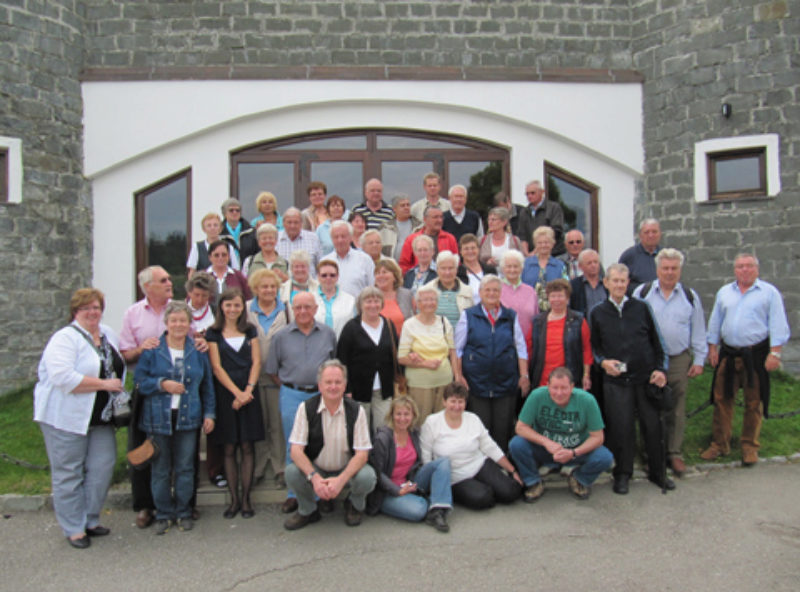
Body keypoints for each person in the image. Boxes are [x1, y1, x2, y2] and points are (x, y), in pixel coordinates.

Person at [34, 288, 125, 549]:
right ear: (76, 312)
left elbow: (118, 364)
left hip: (101, 417)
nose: (92, 313)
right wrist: (104, 385)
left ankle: (91, 518)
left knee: (102, 467)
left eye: (96, 307)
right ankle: (74, 527)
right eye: (86, 308)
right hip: (65, 417)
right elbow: (63, 377)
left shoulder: (107, 333)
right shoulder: (64, 339)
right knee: (68, 472)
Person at [589, 263, 672, 495]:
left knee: (653, 426)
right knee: (621, 429)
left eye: (623, 281)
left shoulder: (642, 308)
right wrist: (603, 362)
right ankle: (623, 473)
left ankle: (658, 472)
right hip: (616, 381)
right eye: (614, 281)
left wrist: (661, 370)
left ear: (628, 284)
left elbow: (658, 343)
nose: (618, 285)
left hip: (645, 378)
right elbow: (593, 348)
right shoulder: (597, 312)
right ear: (606, 283)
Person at [701, 253, 790, 466]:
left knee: (754, 402)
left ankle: (750, 446)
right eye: (740, 266)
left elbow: (778, 323)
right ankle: (720, 444)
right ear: (735, 270)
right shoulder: (725, 292)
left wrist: (775, 353)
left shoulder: (769, 293)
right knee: (722, 399)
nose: (745, 270)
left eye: (749, 266)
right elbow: (715, 321)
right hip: (729, 354)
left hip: (756, 356)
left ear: (756, 269)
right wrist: (712, 347)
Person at [135, 301, 216, 535]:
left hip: (188, 416)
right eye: (174, 320)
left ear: (190, 324)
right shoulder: (153, 349)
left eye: (183, 320)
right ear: (166, 323)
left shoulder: (198, 350)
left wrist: (209, 413)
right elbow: (139, 382)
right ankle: (163, 513)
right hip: (158, 417)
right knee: (160, 469)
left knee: (184, 468)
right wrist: (162, 384)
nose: (179, 325)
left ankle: (183, 511)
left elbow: (207, 386)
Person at [633, 248, 707, 477]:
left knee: (676, 407)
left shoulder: (689, 296)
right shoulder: (642, 293)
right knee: (649, 408)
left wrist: (699, 359)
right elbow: (634, 325)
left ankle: (674, 453)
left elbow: (698, 329)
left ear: (680, 270)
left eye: (674, 268)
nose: (669, 272)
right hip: (649, 360)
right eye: (665, 268)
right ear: (657, 269)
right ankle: (651, 455)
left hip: (677, 359)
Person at [265, 291, 337, 514]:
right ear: (292, 310)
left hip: (321, 395)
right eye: (298, 308)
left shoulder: (328, 334)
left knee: (320, 444)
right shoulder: (281, 336)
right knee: (293, 445)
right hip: (292, 394)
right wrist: (292, 387)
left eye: (308, 307)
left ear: (316, 309)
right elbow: (273, 371)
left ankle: (322, 491)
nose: (303, 311)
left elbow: (334, 366)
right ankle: (294, 493)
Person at [283, 360, 377, 530]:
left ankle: (354, 504)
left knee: (367, 476)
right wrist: (315, 479)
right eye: (328, 382)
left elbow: (362, 454)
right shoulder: (306, 408)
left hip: (345, 468)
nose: (333, 387)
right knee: (292, 472)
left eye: (338, 382)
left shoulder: (357, 410)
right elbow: (295, 451)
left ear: (345, 385)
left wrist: (341, 481)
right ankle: (308, 510)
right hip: (317, 468)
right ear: (320, 385)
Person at [120, 265, 174, 529]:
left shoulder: (177, 309)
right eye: (163, 280)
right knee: (142, 445)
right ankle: (144, 505)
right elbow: (125, 353)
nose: (169, 282)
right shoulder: (133, 314)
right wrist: (141, 349)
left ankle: (176, 501)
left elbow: (193, 337)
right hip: (146, 389)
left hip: (175, 387)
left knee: (175, 447)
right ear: (147, 287)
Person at [509, 367, 613, 502]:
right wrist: (546, 442)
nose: (559, 393)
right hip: (545, 449)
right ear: (548, 386)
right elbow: (521, 428)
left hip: (575, 450)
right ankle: (533, 482)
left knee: (605, 457)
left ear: (572, 387)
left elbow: (598, 437)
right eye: (554, 388)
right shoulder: (537, 396)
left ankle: (579, 478)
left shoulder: (587, 401)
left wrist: (574, 453)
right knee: (516, 444)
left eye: (564, 388)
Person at [206, 289, 264, 519]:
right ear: (221, 307)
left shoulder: (250, 330)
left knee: (248, 446)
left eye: (237, 305)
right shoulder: (213, 333)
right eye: (228, 305)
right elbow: (217, 368)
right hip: (226, 394)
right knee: (229, 447)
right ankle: (234, 500)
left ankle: (247, 498)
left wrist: (248, 390)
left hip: (249, 391)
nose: (232, 309)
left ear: (243, 307)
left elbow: (257, 361)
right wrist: (236, 394)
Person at [454, 275, 528, 451]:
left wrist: (524, 375)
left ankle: (502, 465)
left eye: (495, 290)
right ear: (480, 292)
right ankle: (481, 466)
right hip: (476, 382)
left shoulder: (510, 316)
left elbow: (520, 347)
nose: (492, 293)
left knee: (503, 427)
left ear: (501, 293)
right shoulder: (469, 315)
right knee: (481, 426)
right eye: (487, 290)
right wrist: (459, 375)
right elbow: (457, 349)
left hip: (505, 381)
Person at [420, 383, 522, 509]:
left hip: (478, 465)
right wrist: (436, 486)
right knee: (483, 498)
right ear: (444, 402)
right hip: (455, 476)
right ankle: (477, 490)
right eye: (452, 401)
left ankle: (490, 486)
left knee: (510, 492)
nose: (457, 406)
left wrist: (512, 470)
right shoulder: (432, 422)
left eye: (461, 402)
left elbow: (490, 447)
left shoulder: (473, 419)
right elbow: (426, 456)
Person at [367, 396, 453, 532]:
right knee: (419, 510)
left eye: (407, 414)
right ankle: (433, 502)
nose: (402, 418)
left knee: (443, 462)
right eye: (398, 414)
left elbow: (418, 463)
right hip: (388, 490)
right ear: (391, 415)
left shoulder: (414, 433)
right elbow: (377, 472)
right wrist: (398, 490)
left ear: (413, 416)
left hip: (410, 481)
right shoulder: (383, 438)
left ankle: (437, 509)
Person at [247, 269, 290, 487]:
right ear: (256, 289)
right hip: (252, 377)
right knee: (258, 424)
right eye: (264, 286)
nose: (269, 290)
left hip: (277, 378)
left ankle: (280, 467)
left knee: (277, 424)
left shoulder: (286, 310)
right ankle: (259, 466)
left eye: (273, 286)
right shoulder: (247, 309)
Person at [336, 287, 400, 430]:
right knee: (360, 431)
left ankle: (380, 453)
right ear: (360, 304)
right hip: (358, 391)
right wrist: (346, 389)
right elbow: (342, 360)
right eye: (368, 301)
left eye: (376, 301)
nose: (373, 305)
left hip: (383, 391)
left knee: (383, 431)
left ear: (382, 303)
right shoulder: (351, 328)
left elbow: (395, 354)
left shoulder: (388, 325)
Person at [397, 286, 458, 424]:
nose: (429, 303)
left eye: (433, 299)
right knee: (421, 422)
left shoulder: (444, 322)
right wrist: (424, 363)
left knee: (443, 422)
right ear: (418, 303)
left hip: (444, 381)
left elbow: (452, 352)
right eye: (425, 300)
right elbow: (401, 358)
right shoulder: (409, 325)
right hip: (420, 384)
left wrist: (457, 376)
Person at [529, 279, 593, 391]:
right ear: (548, 298)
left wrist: (586, 375)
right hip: (542, 380)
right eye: (553, 296)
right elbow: (529, 349)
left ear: (568, 299)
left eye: (560, 296)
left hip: (569, 379)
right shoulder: (537, 322)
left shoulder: (578, 320)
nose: (556, 300)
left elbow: (586, 349)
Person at [320, 220, 374, 297]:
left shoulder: (365, 259)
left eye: (343, 236)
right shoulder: (324, 261)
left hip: (358, 307)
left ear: (351, 237)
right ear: (331, 239)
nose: (340, 240)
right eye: (336, 237)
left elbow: (372, 288)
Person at [398, 205, 458, 274]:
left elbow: (456, 263)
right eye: (435, 217)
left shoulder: (449, 239)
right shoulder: (412, 239)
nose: (439, 220)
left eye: (441, 217)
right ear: (425, 219)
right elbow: (404, 264)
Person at [499, 250, 538, 358]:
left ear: (521, 268)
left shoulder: (530, 291)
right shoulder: (496, 290)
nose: (512, 270)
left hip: (527, 347)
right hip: (503, 347)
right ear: (503, 269)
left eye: (516, 266)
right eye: (508, 266)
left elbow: (535, 318)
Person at [521, 226, 567, 312]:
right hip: (528, 310)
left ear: (553, 244)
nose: (543, 245)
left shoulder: (560, 266)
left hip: (554, 311)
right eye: (540, 243)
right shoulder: (525, 264)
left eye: (546, 242)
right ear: (535, 244)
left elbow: (566, 289)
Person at [422, 251, 474, 327]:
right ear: (437, 269)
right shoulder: (426, 291)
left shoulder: (467, 292)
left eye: (451, 268)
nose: (447, 272)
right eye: (443, 268)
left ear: (456, 269)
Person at [516, 180, 565, 256]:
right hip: (531, 256)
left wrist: (536, 250)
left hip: (553, 254)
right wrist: (526, 253)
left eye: (532, 193)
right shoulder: (524, 212)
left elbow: (556, 231)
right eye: (527, 194)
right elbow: (522, 235)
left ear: (542, 192)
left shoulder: (553, 208)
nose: (529, 196)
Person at [186, 212, 240, 278]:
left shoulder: (229, 247)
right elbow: (192, 272)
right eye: (209, 225)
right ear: (204, 229)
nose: (212, 228)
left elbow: (235, 270)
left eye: (215, 225)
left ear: (220, 229)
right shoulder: (197, 247)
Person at [313, 260, 356, 338]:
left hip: (343, 346)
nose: (328, 278)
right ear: (318, 277)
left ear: (337, 276)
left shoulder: (350, 300)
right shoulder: (310, 299)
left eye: (332, 275)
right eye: (324, 275)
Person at [618, 218, 662, 294]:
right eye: (646, 232)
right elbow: (619, 283)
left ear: (660, 234)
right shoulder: (628, 256)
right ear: (640, 235)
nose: (651, 235)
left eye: (654, 232)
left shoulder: (666, 256)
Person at [276, 207, 322, 276]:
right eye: (289, 222)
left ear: (301, 223)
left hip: (309, 285)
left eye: (296, 222)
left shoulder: (313, 238)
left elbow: (320, 266)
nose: (292, 226)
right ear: (283, 223)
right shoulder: (275, 239)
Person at [374, 259, 415, 334]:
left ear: (395, 276)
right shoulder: (369, 296)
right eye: (377, 273)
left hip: (403, 342)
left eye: (384, 272)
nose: (380, 276)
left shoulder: (407, 295)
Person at [457, 233, 496, 304]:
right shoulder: (457, 273)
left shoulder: (490, 270)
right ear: (461, 252)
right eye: (466, 249)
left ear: (478, 249)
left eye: (473, 248)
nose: (470, 251)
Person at [379, 193, 420, 261]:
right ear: (394, 209)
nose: (406, 207)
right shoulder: (385, 228)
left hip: (414, 267)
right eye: (402, 205)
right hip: (392, 267)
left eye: (408, 205)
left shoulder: (419, 226)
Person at [569, 249, 608, 318]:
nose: (593, 265)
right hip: (584, 326)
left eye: (596, 262)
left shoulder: (608, 283)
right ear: (580, 266)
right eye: (589, 263)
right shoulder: (573, 286)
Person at [219, 197, 258, 263]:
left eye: (237, 210)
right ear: (224, 214)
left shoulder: (251, 232)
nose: (235, 212)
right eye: (231, 210)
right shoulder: (219, 233)